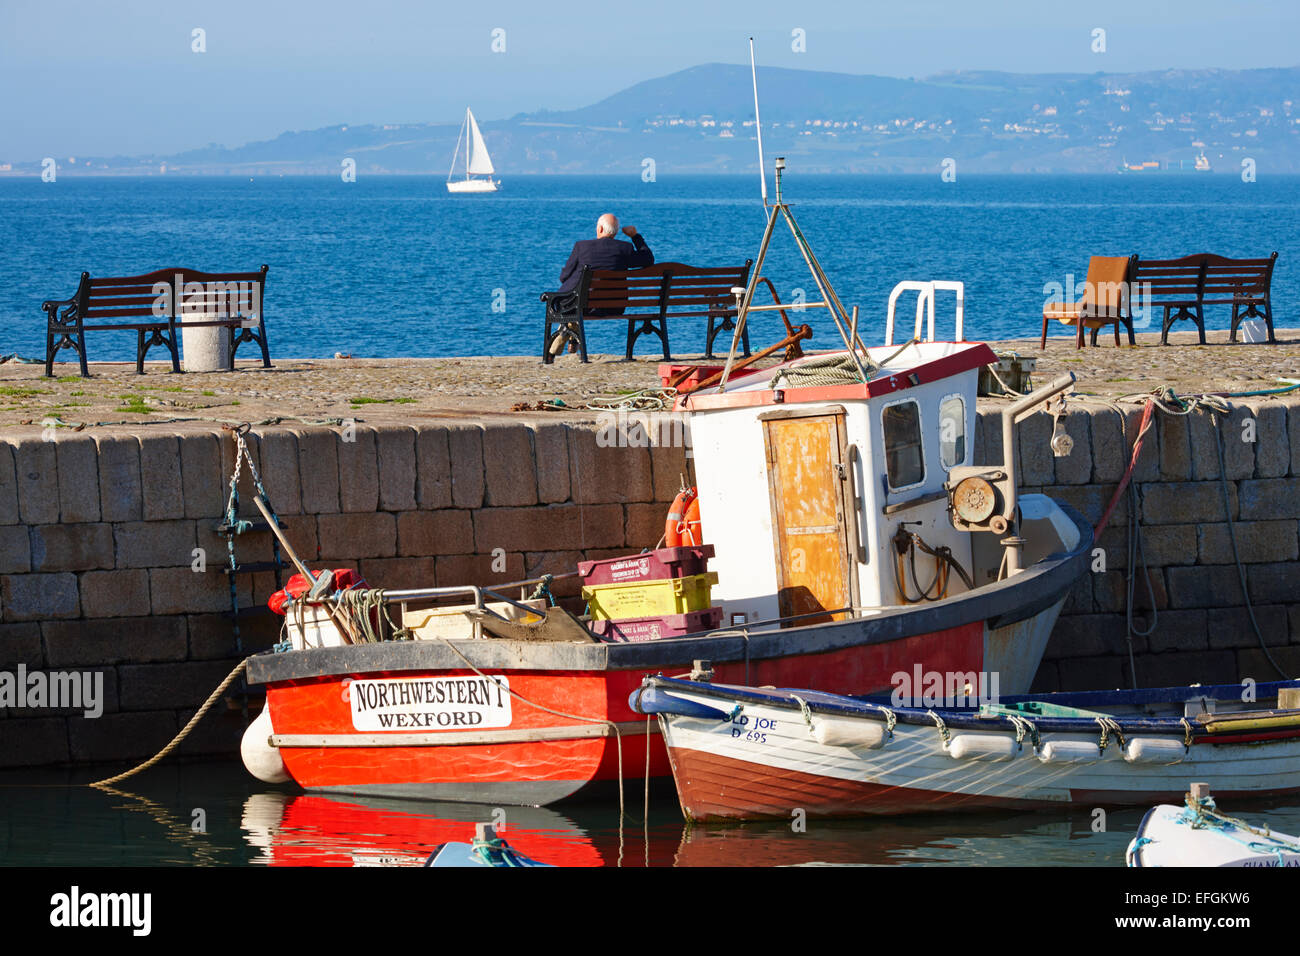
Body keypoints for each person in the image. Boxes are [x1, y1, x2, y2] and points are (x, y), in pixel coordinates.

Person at [546, 214, 654, 354]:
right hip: (615, 307)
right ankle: (570, 328)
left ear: (600, 228)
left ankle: (568, 329)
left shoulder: (582, 246)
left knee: (566, 302)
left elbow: (564, 277)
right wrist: (635, 236)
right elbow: (648, 259)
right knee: (576, 302)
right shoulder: (625, 249)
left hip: (580, 306)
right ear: (614, 232)